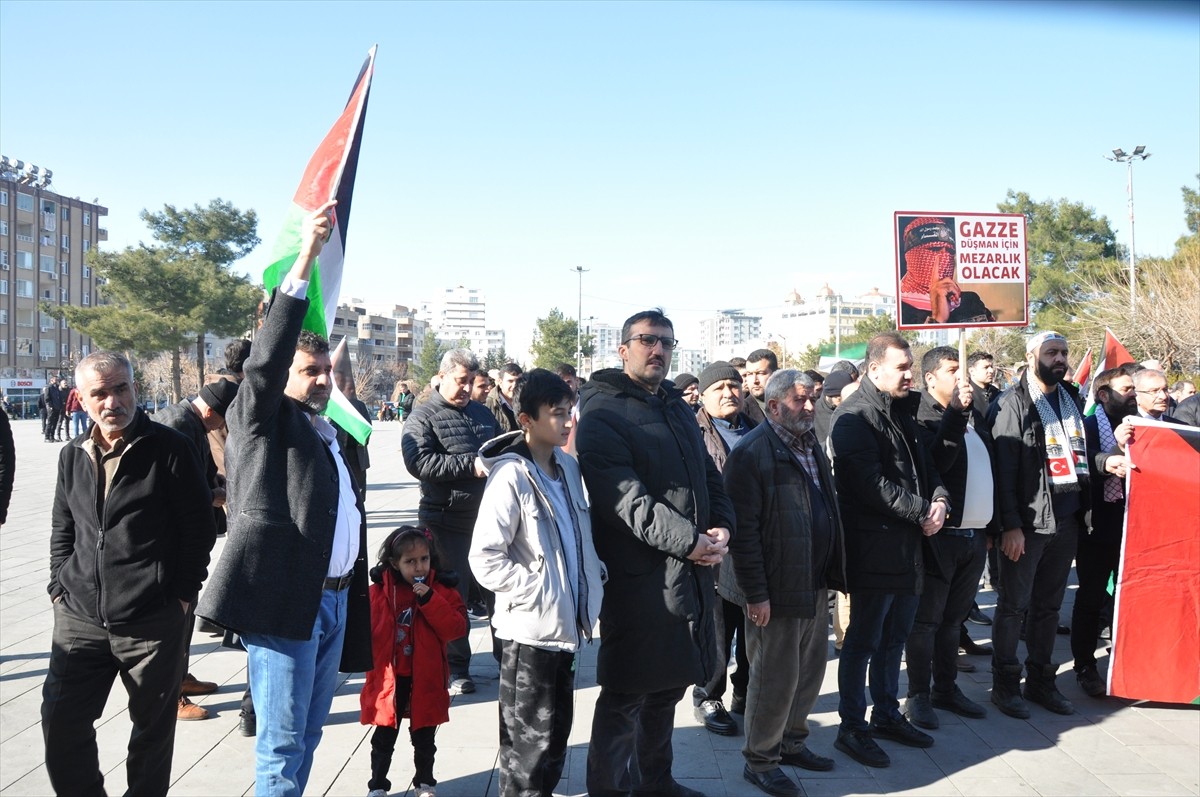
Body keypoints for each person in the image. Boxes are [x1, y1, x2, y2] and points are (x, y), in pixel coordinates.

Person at [196, 204, 372, 795]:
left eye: (326, 370)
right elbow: (266, 360)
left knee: (312, 734)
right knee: (281, 743)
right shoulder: (260, 416)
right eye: (308, 371)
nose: (322, 379)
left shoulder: (327, 428)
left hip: (336, 603)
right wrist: (305, 259)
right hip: (286, 603)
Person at [42, 351, 217, 797]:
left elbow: (198, 529)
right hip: (79, 618)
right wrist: (58, 584)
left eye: (121, 388)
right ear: (81, 399)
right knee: (61, 725)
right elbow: (64, 525)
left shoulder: (169, 448)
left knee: (152, 736)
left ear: (135, 389)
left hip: (151, 620)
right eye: (100, 393)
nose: (112, 401)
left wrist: (179, 596)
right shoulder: (72, 454)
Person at [578, 309, 735, 797]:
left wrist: (721, 527)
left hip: (689, 572)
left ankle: (656, 782)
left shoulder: (674, 405)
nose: (658, 350)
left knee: (668, 686)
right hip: (637, 578)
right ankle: (610, 790)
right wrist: (690, 541)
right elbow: (626, 500)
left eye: (666, 342)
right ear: (623, 349)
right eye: (647, 340)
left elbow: (709, 475)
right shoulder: (603, 412)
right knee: (626, 693)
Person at [470, 368, 606, 797]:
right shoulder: (511, 476)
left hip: (565, 630)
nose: (567, 422)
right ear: (525, 419)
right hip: (529, 634)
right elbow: (484, 558)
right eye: (555, 413)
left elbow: (577, 536)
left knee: (555, 742)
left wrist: (593, 576)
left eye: (569, 411)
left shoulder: (566, 466)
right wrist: (539, 590)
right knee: (526, 751)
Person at [829, 331, 949, 768]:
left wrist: (939, 501)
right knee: (863, 640)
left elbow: (926, 467)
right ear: (873, 368)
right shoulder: (853, 417)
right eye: (901, 367)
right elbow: (868, 484)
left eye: (910, 366)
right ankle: (851, 727)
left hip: (909, 549)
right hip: (874, 550)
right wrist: (922, 511)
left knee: (895, 637)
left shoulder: (904, 411)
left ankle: (885, 714)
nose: (909, 374)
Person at [723, 370, 845, 797]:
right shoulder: (752, 452)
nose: (810, 406)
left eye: (812, 398)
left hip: (811, 583)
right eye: (800, 400)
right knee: (774, 680)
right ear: (773, 406)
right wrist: (756, 594)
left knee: (808, 674)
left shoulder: (810, 444)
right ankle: (760, 760)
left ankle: (792, 744)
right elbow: (745, 535)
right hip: (772, 592)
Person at [987, 331, 1089, 719]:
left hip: (1066, 520)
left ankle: (1041, 682)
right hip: (1027, 526)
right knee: (1014, 607)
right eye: (1052, 352)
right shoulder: (1013, 403)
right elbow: (1005, 470)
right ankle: (1005, 684)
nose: (1060, 358)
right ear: (1032, 357)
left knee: (1048, 607)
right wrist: (1009, 525)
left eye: (1064, 352)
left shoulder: (1071, 400)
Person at [402, 347, 502, 694]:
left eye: (471, 382)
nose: (466, 389)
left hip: (489, 520)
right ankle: (457, 668)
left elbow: (496, 450)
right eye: (461, 381)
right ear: (441, 377)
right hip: (445, 522)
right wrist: (469, 465)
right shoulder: (422, 417)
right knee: (451, 596)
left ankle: (508, 660)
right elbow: (420, 463)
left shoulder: (482, 413)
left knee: (498, 593)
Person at [904, 347, 994, 731]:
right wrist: (956, 414)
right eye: (953, 370)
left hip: (974, 537)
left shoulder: (974, 416)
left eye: (963, 370)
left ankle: (946, 688)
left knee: (953, 621)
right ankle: (918, 696)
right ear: (930, 378)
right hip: (941, 538)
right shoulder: (922, 418)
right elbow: (937, 464)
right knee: (927, 622)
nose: (963, 378)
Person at [153, 378, 240, 721]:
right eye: (223, 419)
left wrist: (215, 482)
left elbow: (197, 472)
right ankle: (169, 696)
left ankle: (181, 678)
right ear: (209, 410)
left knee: (185, 614)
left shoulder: (192, 422)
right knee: (173, 618)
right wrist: (211, 496)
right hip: (167, 541)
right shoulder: (177, 425)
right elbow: (171, 486)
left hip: (184, 540)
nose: (223, 427)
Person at [361, 527, 466, 797]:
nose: (418, 567)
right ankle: (378, 785)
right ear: (395, 564)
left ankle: (425, 782)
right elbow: (364, 630)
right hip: (390, 679)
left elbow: (456, 628)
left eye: (424, 559)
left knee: (424, 738)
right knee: (384, 737)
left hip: (426, 677)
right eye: (410, 562)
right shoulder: (380, 592)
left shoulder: (441, 589)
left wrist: (430, 599)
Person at [691, 361, 756, 736]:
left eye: (734, 385)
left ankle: (744, 691)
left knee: (752, 625)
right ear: (702, 395)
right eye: (719, 388)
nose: (729, 393)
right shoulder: (693, 430)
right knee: (717, 628)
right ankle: (708, 694)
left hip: (753, 544)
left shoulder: (757, 427)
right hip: (713, 544)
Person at [1072, 368, 1136, 698]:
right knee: (1092, 597)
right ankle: (1084, 665)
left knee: (1129, 600)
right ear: (1103, 395)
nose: (1134, 395)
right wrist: (1116, 453)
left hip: (1135, 527)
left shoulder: (1145, 426)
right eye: (1127, 389)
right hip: (1097, 527)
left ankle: (1126, 660)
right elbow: (1083, 475)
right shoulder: (1087, 428)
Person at [898, 217, 995, 325]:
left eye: (949, 251)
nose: (945, 257)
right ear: (911, 255)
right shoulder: (900, 310)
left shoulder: (971, 300)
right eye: (934, 249)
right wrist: (937, 319)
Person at [741, 349, 777, 425]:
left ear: (775, 374)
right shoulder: (741, 412)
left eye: (760, 373)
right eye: (750, 374)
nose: (755, 380)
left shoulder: (791, 405)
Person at [487, 363, 524, 433]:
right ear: (500, 383)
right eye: (510, 381)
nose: (515, 385)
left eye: (518, 381)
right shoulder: (488, 404)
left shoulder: (528, 403)